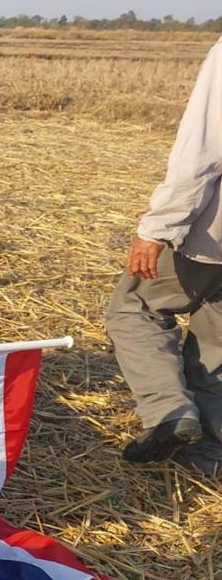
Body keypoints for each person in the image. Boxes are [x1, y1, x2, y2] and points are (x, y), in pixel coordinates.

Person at [106, 35, 222, 472]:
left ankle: (169, 412)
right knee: (217, 340)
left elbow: (203, 153)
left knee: (133, 307)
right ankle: (208, 455)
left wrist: (158, 228)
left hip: (214, 235)